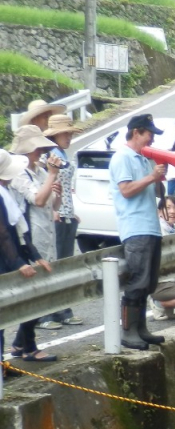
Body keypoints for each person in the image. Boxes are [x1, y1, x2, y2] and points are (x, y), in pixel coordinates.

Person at [108, 114, 169, 351]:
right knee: (137, 278)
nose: (151, 139)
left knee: (149, 281)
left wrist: (157, 178)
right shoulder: (122, 157)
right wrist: (151, 177)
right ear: (137, 132)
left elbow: (153, 191)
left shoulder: (144, 159)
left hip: (151, 226)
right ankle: (128, 330)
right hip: (135, 226)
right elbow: (126, 190)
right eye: (149, 134)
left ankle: (140, 328)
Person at [0, 149, 55, 362]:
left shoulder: (6, 192)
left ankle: (7, 362)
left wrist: (34, 255)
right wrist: (19, 262)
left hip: (9, 257)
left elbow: (18, 230)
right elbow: (3, 233)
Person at [8, 125, 62, 332]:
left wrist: (58, 189)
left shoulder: (40, 171)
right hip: (30, 235)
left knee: (44, 281)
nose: (40, 152)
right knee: (33, 286)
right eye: (37, 148)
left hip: (46, 231)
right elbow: (37, 200)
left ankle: (26, 341)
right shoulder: (19, 173)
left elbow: (52, 205)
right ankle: (28, 335)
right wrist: (51, 176)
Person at [41, 113, 83, 328]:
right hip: (53, 214)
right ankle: (46, 312)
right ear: (55, 135)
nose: (68, 137)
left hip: (66, 212)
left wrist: (70, 210)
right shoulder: (47, 156)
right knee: (53, 265)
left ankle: (63, 308)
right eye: (65, 133)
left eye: (69, 133)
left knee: (65, 264)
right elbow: (46, 184)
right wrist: (53, 210)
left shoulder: (63, 154)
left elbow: (66, 187)